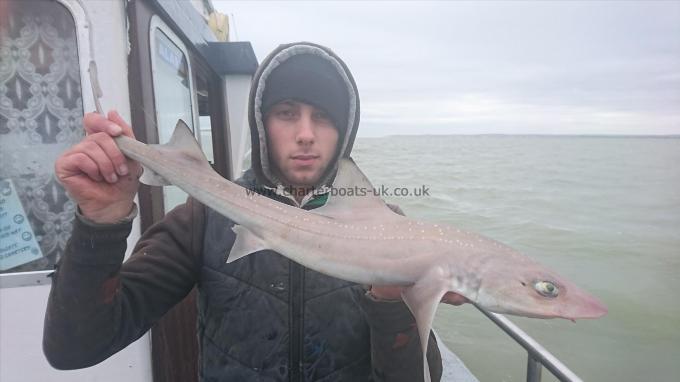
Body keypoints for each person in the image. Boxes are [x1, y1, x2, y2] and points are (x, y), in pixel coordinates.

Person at [44, 42, 465, 381]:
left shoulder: (388, 229)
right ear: (262, 124)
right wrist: (101, 223)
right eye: (286, 113)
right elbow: (75, 346)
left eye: (322, 118)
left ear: (345, 130)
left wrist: (390, 299)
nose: (304, 135)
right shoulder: (204, 220)